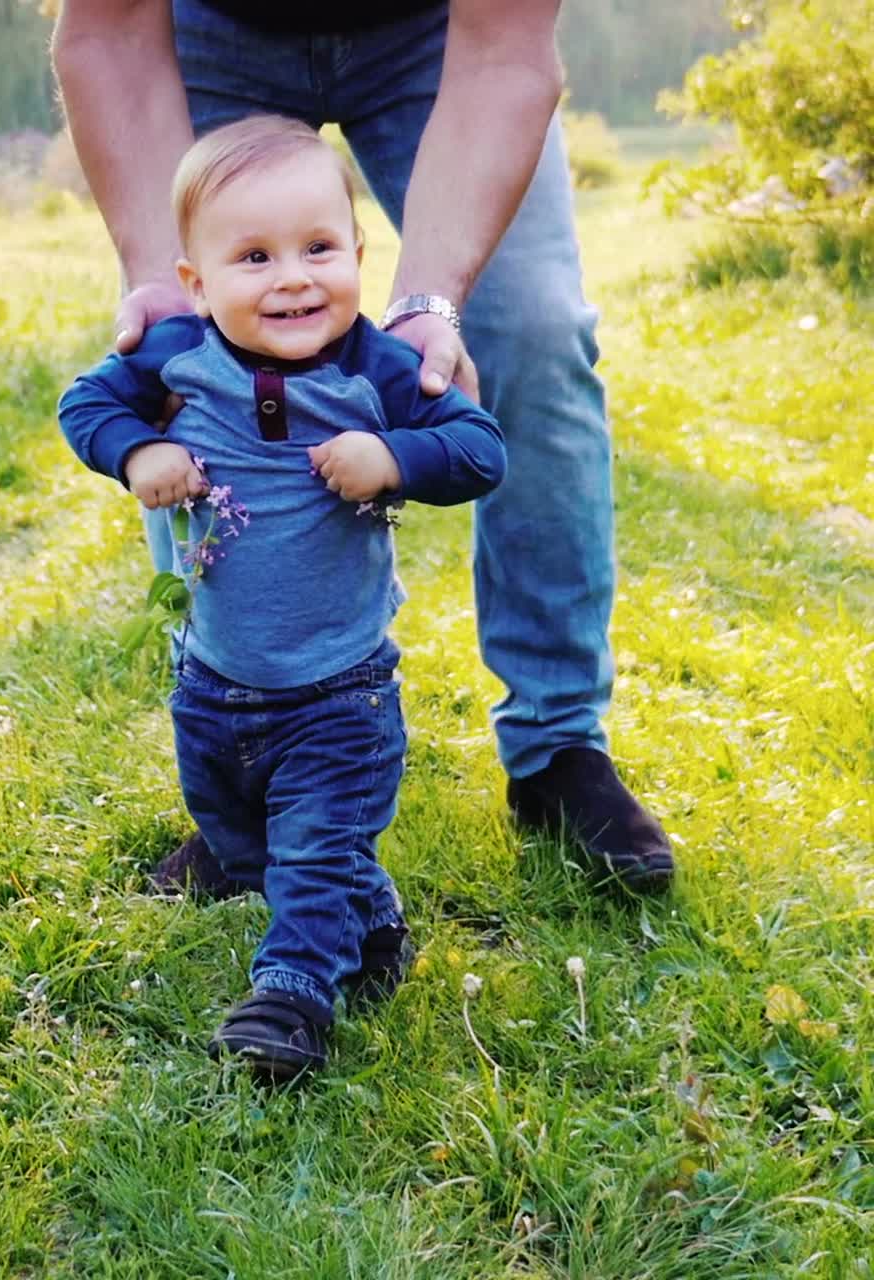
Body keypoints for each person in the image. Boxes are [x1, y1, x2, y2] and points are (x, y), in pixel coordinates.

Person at [52, 0, 676, 895]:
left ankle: (557, 746)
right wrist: (161, 275)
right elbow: (109, 32)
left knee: (533, 326)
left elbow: (505, 46)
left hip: (438, 37)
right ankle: (243, 766)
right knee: (192, 352)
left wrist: (432, 300)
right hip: (207, 34)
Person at [59, 116, 506, 1077]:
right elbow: (82, 405)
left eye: (319, 248)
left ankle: (292, 997)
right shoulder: (176, 354)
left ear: (357, 252)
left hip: (339, 691)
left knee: (310, 848)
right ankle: (373, 918)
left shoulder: (378, 367)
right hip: (215, 679)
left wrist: (394, 456)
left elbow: (480, 450)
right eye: (254, 257)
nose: (294, 278)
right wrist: (138, 450)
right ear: (196, 283)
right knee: (236, 832)